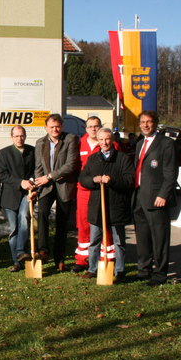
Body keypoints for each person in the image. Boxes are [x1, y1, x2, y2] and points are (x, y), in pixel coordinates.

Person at [78, 128, 134, 282]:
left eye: (107, 139)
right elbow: (83, 178)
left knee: (118, 241)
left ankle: (120, 270)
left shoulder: (123, 158)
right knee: (94, 239)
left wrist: (113, 180)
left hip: (116, 205)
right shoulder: (93, 159)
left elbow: (129, 181)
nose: (104, 143)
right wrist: (93, 180)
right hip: (97, 206)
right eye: (101, 139)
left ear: (112, 140)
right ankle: (92, 269)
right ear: (98, 140)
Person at [133, 110, 177, 286]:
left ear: (155, 123)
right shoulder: (139, 144)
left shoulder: (166, 144)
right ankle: (144, 271)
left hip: (157, 197)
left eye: (149, 122)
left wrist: (163, 194)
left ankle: (160, 274)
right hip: (139, 196)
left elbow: (171, 172)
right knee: (142, 236)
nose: (145, 125)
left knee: (160, 238)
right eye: (142, 122)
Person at [34, 113, 80, 272]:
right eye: (52, 127)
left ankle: (59, 258)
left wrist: (50, 176)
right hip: (46, 187)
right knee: (42, 214)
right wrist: (37, 186)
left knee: (62, 223)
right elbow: (39, 167)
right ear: (46, 127)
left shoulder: (70, 139)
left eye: (58, 126)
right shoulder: (40, 143)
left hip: (63, 185)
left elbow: (71, 164)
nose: (55, 129)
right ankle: (43, 250)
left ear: (62, 126)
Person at [0, 126, 36, 272]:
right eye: (16, 136)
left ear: (25, 136)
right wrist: (20, 182)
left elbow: (37, 171)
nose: (19, 138)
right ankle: (17, 261)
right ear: (11, 137)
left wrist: (32, 184)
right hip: (10, 195)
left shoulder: (32, 151)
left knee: (24, 218)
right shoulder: (3, 153)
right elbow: (2, 175)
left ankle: (20, 251)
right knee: (14, 229)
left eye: (22, 135)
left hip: (28, 194)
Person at [73, 116, 105, 272]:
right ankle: (82, 259)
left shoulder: (108, 142)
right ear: (86, 129)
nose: (93, 129)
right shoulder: (79, 143)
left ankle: (106, 257)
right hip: (84, 190)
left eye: (96, 126)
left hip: (102, 191)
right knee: (83, 224)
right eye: (90, 126)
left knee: (103, 223)